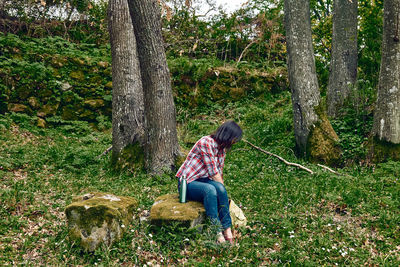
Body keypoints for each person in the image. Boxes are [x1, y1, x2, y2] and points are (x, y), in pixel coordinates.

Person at [176, 120, 243, 244]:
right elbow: (213, 172)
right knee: (211, 190)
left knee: (219, 188)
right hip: (187, 183)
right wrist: (221, 191)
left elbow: (219, 173)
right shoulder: (206, 142)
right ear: (227, 135)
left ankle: (227, 229)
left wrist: (222, 193)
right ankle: (216, 231)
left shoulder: (222, 150)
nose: (234, 142)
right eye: (234, 138)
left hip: (204, 180)